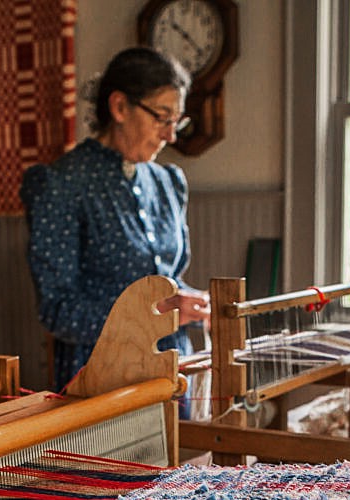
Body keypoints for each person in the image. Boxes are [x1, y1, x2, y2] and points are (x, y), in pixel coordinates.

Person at [21, 46, 210, 391]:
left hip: (172, 367)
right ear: (120, 107)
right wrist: (157, 317)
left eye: (177, 121)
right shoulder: (61, 184)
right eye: (162, 118)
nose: (170, 135)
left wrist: (192, 303)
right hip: (103, 377)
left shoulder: (167, 182)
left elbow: (166, 280)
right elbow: (58, 310)